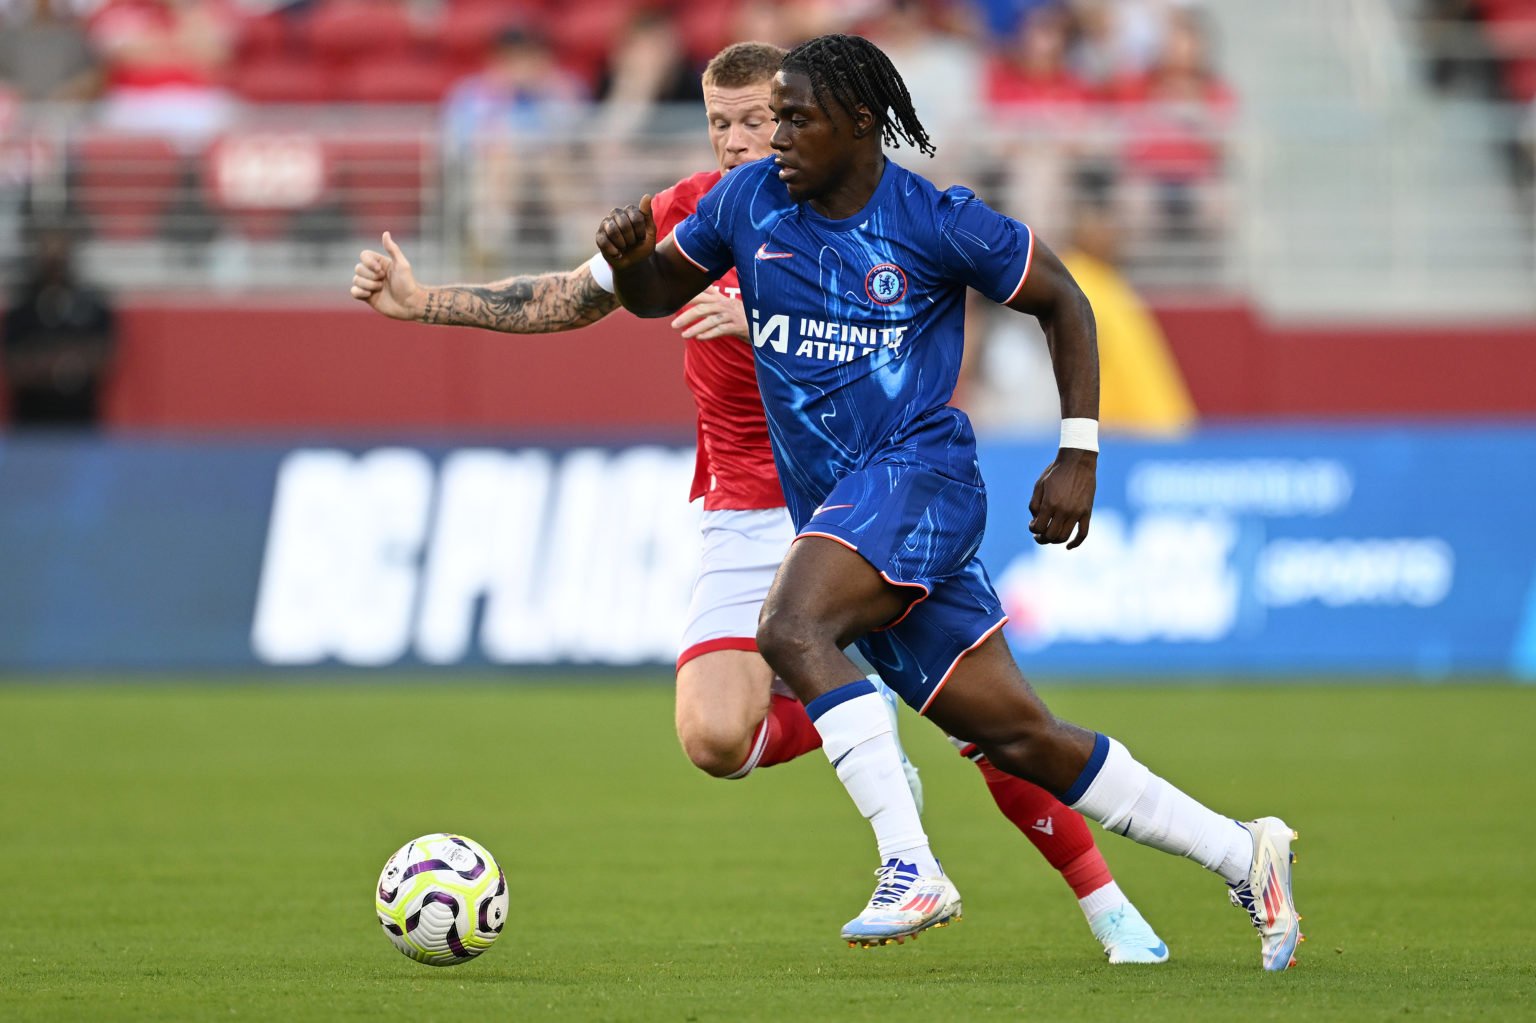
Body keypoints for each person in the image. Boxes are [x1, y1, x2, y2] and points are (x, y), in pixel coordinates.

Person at [352, 41, 1170, 965]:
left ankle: (1107, 906)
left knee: (987, 725)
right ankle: (854, 707)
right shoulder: (701, 213)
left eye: (760, 119)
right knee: (712, 737)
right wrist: (425, 302)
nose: (743, 139)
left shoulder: (851, 207)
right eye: (722, 123)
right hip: (746, 505)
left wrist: (767, 319)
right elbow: (574, 297)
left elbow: (922, 307)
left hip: (869, 492)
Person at [595, 33, 1302, 970]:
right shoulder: (747, 201)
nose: (777, 139)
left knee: (792, 625)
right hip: (845, 508)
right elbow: (656, 293)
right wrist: (631, 261)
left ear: (858, 124)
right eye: (775, 120)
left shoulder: (933, 220)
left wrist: (1078, 452)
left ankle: (910, 864)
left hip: (917, 480)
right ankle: (1243, 852)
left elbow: (1063, 298)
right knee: (1021, 736)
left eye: (797, 120)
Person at [2, 225, 116, 427]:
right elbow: (12, 365)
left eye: (60, 253)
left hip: (81, 422)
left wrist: (44, 359)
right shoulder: (23, 310)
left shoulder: (91, 306)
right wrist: (62, 364)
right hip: (30, 426)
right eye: (48, 253)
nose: (55, 259)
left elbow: (106, 358)